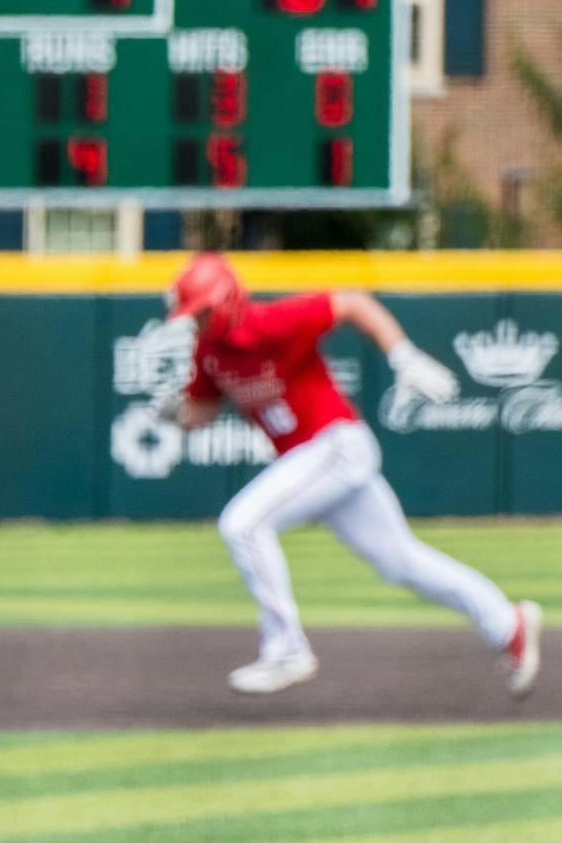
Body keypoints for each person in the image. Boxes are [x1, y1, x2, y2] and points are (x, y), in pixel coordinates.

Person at [151, 252, 540, 696]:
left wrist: (403, 355)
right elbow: (200, 413)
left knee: (242, 524)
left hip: (334, 445)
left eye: (200, 312)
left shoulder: (269, 322)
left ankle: (286, 649)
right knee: (401, 562)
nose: (195, 322)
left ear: (225, 302)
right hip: (316, 462)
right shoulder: (207, 351)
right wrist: (174, 415)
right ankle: (507, 625)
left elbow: (353, 302)